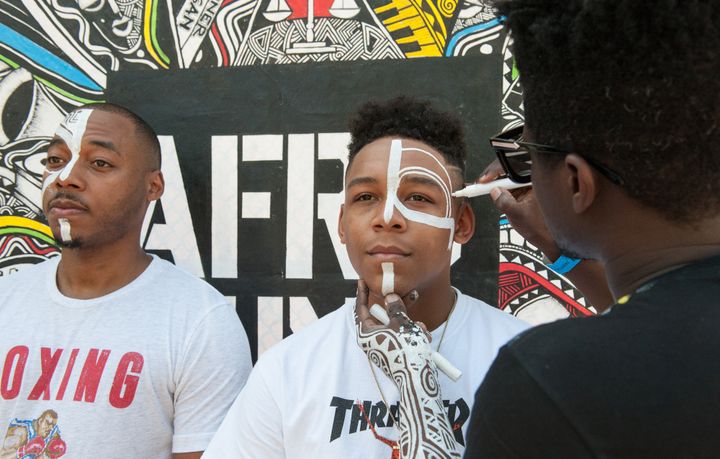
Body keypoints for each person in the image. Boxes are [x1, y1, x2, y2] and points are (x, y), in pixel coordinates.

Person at [203, 96, 530, 458]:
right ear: (342, 224)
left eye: (418, 196)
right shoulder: (288, 370)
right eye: (366, 197)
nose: (387, 217)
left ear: (462, 224)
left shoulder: (521, 358)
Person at [465, 0, 720, 457]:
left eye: (528, 148)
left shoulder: (543, 383)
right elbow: (666, 318)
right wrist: (557, 246)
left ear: (575, 181)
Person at [0, 104, 252, 459]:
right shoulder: (6, 300)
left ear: (152, 187)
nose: (65, 177)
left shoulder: (199, 323)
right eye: (55, 160)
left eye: (100, 163)